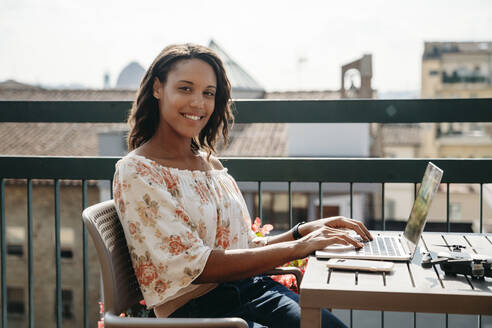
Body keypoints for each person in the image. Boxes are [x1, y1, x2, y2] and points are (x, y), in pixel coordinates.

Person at [113, 43, 373, 328]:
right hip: (199, 313)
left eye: (208, 93)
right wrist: (298, 247)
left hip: (252, 291)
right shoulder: (138, 171)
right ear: (157, 88)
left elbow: (243, 246)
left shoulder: (208, 164)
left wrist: (302, 232)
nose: (198, 103)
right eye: (185, 89)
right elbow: (198, 266)